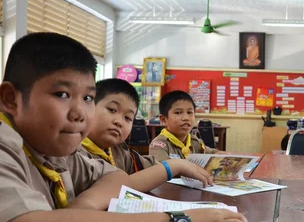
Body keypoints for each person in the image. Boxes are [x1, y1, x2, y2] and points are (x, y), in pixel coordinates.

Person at [0, 33, 248, 222]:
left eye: (87, 98)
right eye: (62, 94)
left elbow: (116, 178)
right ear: (11, 99)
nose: (79, 113)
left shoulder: (51, 146)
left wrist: (81, 208)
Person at [80, 78, 214, 190]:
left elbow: (150, 164)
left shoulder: (119, 153)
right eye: (112, 110)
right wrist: (176, 165)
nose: (119, 122)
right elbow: (113, 187)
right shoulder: (75, 155)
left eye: (128, 118)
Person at [149, 91, 225, 161]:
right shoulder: (159, 145)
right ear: (163, 120)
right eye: (178, 113)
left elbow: (211, 152)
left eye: (189, 112)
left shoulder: (194, 141)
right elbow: (161, 169)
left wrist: (221, 154)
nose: (186, 118)